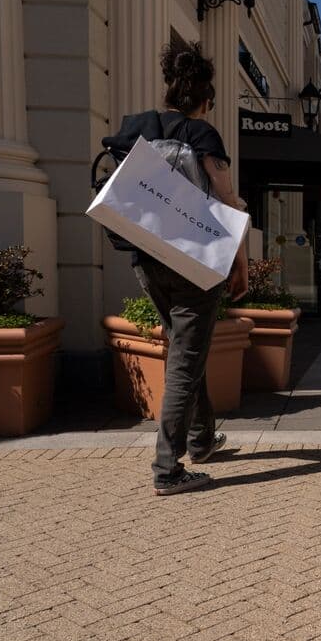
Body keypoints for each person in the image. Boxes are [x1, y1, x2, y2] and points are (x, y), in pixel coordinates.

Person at [104, 38, 249, 496]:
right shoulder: (203, 136)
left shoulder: (136, 131)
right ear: (205, 99)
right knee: (186, 358)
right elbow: (228, 203)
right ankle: (169, 468)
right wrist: (240, 261)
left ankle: (202, 439)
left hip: (146, 259)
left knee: (190, 348)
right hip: (195, 262)